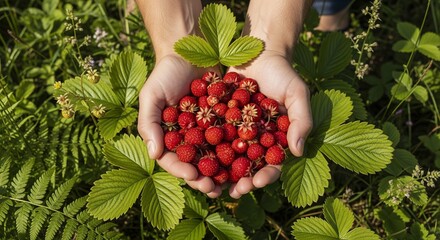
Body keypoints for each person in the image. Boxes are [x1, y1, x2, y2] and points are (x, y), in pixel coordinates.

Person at [135, 0, 349, 199]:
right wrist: (173, 39)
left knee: (325, 10)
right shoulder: (219, 121)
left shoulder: (228, 115)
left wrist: (273, 39)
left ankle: (325, 10)